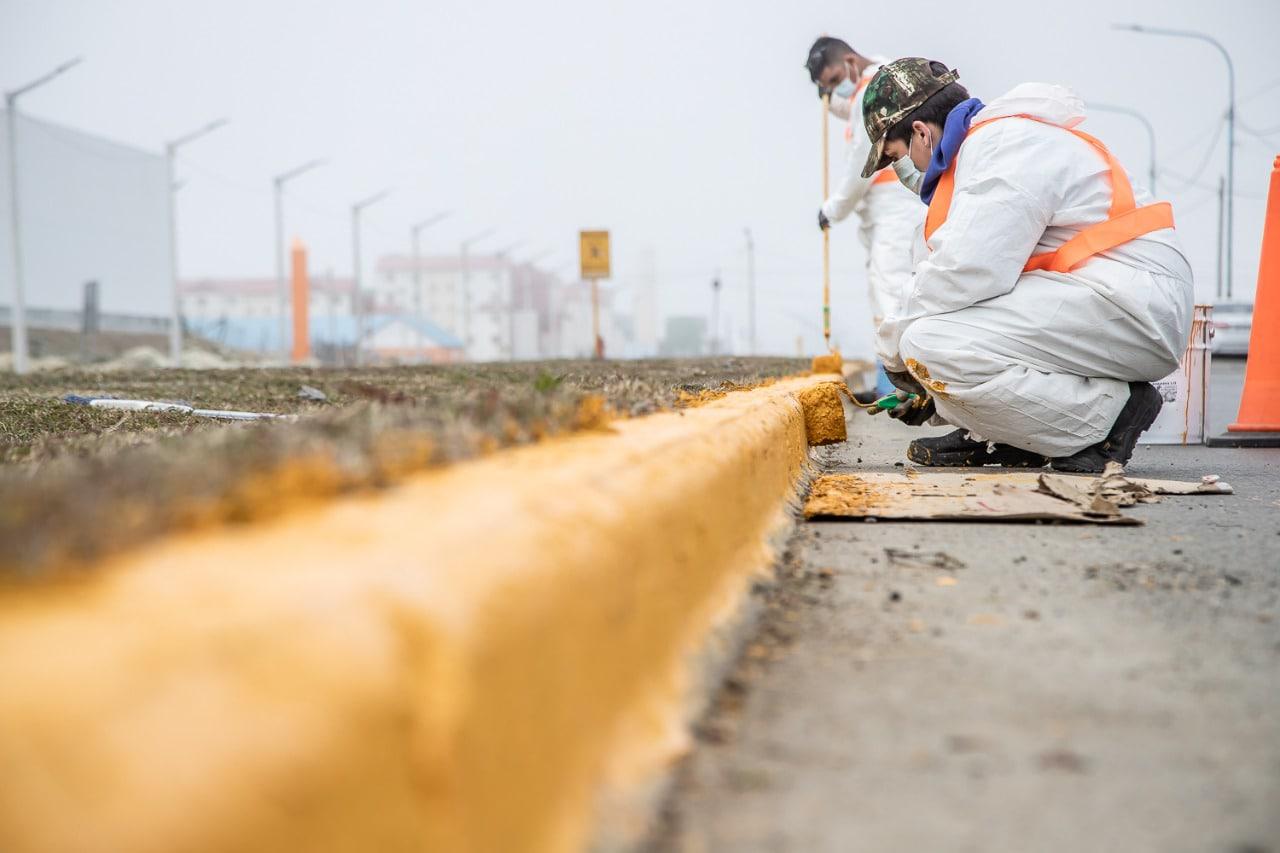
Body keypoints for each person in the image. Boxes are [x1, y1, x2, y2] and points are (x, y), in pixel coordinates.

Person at [859, 58, 1193, 472]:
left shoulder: (1004, 147)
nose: (904, 171)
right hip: (1109, 297)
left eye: (897, 156)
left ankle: (1109, 416)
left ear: (922, 134)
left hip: (1130, 301)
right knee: (935, 333)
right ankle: (1008, 434)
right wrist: (938, 399)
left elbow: (965, 272)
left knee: (926, 342)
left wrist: (892, 351)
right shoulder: (987, 153)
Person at [805, 37, 925, 400]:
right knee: (891, 290)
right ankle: (896, 380)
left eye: (834, 79)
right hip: (893, 208)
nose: (832, 89)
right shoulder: (874, 83)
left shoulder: (870, 92)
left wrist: (832, 209)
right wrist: (831, 103)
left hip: (892, 208)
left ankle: (902, 385)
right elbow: (850, 108)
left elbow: (861, 163)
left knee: (890, 291)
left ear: (850, 60)